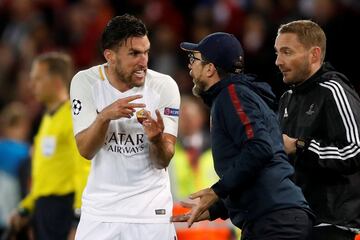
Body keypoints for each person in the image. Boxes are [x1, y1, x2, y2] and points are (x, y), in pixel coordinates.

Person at [172, 32, 314, 240]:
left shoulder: (232, 94)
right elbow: (253, 174)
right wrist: (214, 210)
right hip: (271, 219)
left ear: (210, 68)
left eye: (193, 60)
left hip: (275, 221)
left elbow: (260, 149)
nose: (189, 67)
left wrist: (216, 191)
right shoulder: (238, 96)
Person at [69, 14, 180, 240]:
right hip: (101, 212)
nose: (144, 61)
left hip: (150, 212)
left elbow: (163, 160)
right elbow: (85, 151)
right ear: (110, 56)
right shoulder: (85, 82)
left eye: (146, 52)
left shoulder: (164, 86)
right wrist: (104, 118)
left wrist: (157, 139)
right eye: (134, 54)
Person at [275, 19, 360, 240]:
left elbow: (354, 151)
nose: (278, 61)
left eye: (287, 52)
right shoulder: (287, 99)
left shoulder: (334, 90)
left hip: (332, 225)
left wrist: (299, 146)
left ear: (314, 55)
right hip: (295, 221)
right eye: (277, 53)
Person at [9, 52, 90, 240]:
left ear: (56, 81)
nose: (32, 85)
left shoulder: (72, 116)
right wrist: (25, 208)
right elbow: (43, 178)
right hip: (44, 209)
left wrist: (78, 219)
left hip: (63, 208)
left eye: (37, 79)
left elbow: (83, 167)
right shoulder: (47, 119)